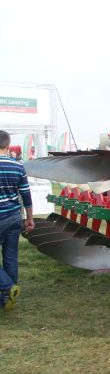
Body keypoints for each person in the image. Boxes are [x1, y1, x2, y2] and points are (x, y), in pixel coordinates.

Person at [0, 131, 34, 311]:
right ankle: (8, 298)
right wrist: (29, 218)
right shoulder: (18, 166)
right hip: (14, 216)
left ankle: (7, 288)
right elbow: (26, 195)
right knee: (11, 256)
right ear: (8, 145)